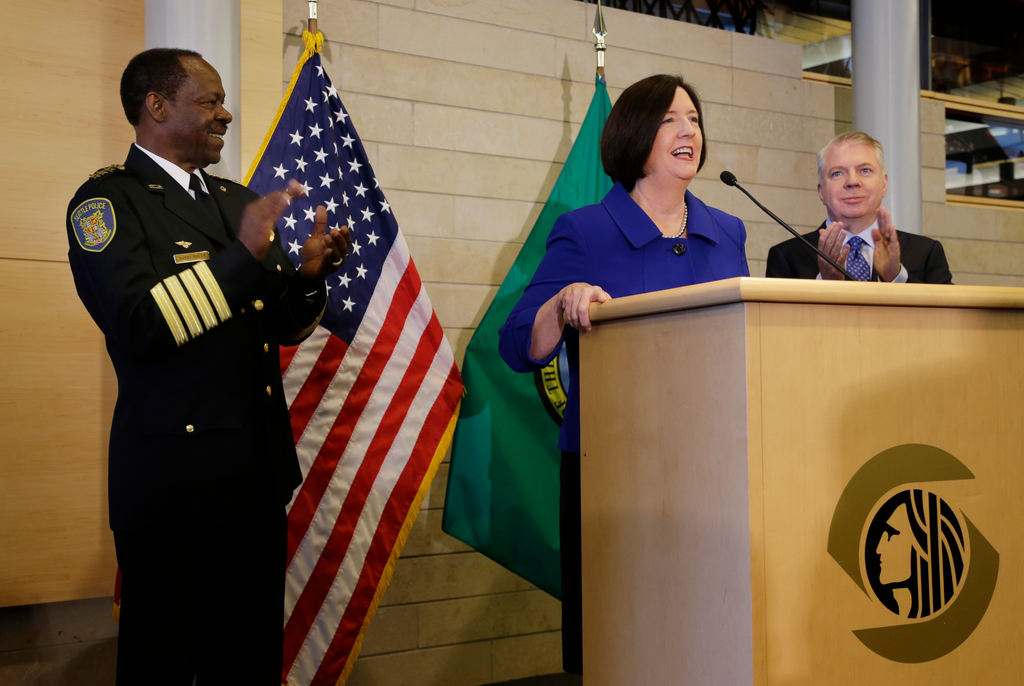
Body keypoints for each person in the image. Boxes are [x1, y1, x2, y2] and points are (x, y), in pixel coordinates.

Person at [65, 48, 351, 685]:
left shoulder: (233, 200)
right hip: (174, 484)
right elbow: (140, 324)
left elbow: (276, 326)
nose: (226, 113)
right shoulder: (109, 204)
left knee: (246, 664)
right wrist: (240, 257)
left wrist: (308, 276)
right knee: (162, 664)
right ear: (156, 106)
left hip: (254, 476)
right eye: (209, 101)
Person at [498, 74, 750, 675]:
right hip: (613, 467)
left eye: (693, 118)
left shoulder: (730, 230)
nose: (688, 129)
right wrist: (563, 302)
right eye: (669, 120)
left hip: (719, 465)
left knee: (713, 634)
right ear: (636, 135)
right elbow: (515, 345)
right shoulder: (586, 231)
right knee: (618, 644)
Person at [765, 130, 953, 283]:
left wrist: (895, 277)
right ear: (821, 191)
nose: (852, 182)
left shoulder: (927, 252)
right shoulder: (786, 257)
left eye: (865, 170)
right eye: (838, 173)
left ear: (884, 184)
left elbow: (948, 320)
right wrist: (825, 285)